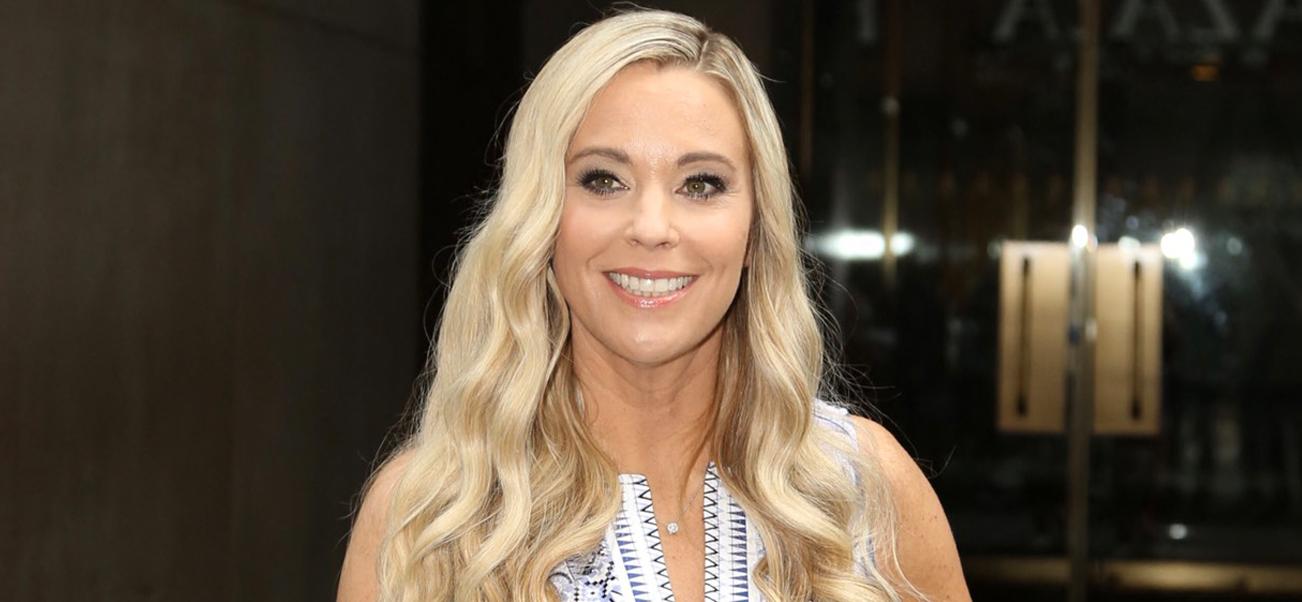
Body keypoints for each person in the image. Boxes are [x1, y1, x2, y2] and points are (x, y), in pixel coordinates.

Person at [338, 8, 968, 602]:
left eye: (702, 184)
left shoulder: (863, 489)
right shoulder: (430, 518)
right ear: (541, 220)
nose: (651, 226)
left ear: (755, 231)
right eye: (603, 179)